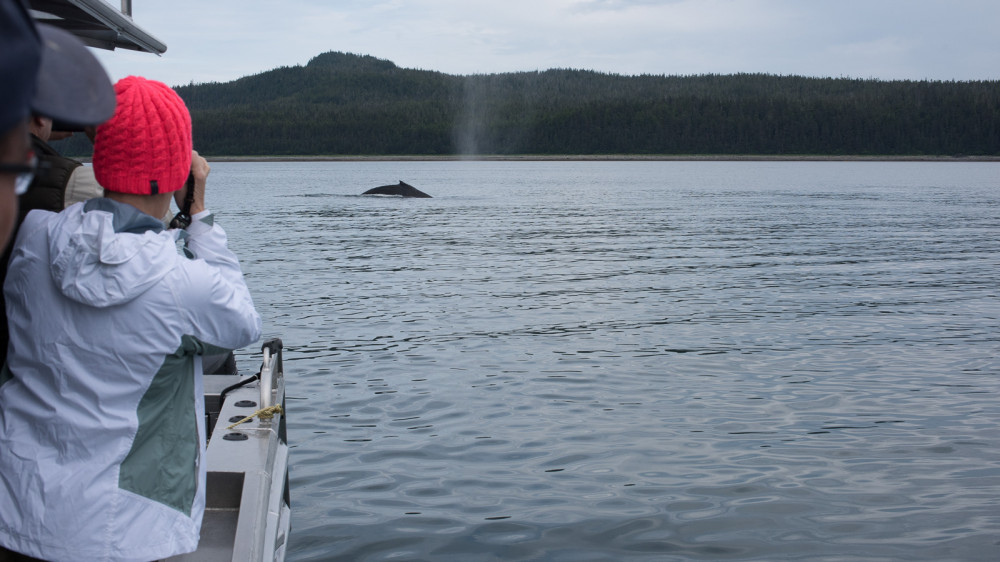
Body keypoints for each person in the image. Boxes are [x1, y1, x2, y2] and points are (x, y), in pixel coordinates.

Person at [0, 76, 262, 561]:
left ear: (102, 157)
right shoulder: (183, 284)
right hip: (125, 533)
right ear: (179, 167)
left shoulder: (34, 238)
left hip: (18, 513)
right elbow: (243, 323)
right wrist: (198, 214)